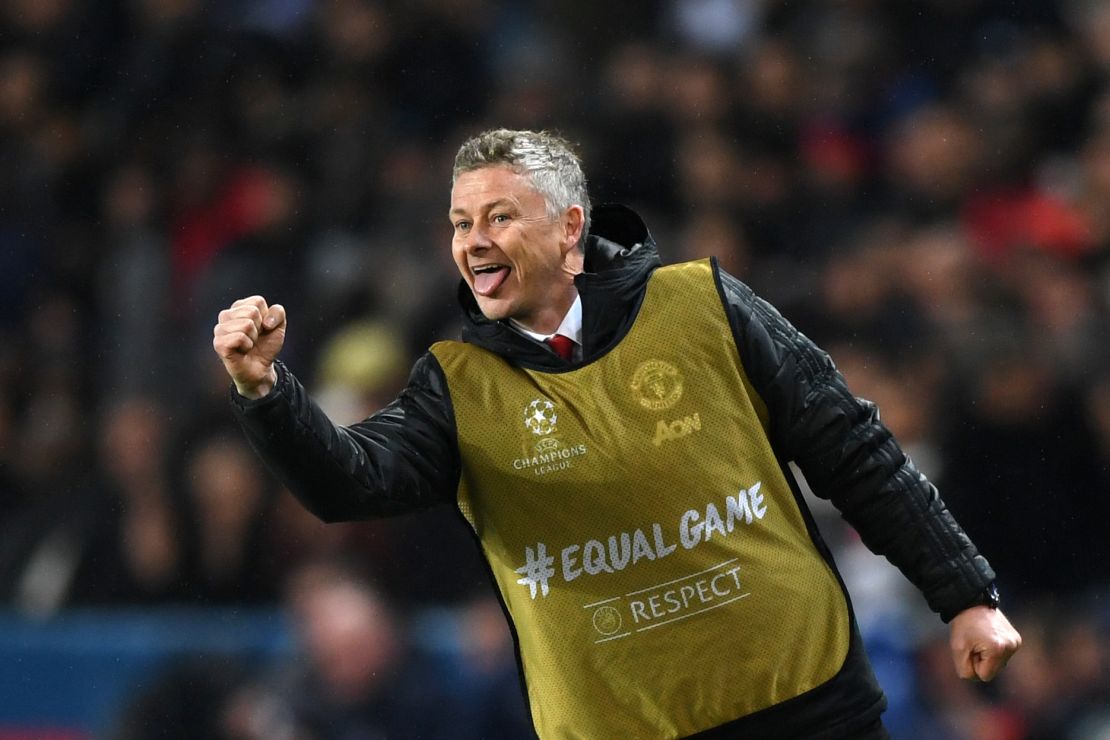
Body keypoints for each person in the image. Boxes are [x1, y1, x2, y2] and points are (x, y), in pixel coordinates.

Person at [213, 129, 1021, 739]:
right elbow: (347, 485)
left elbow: (855, 449)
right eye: (461, 223)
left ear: (569, 227)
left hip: (805, 706)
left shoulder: (704, 306)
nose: (474, 241)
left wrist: (965, 595)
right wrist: (266, 390)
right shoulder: (455, 386)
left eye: (500, 215)